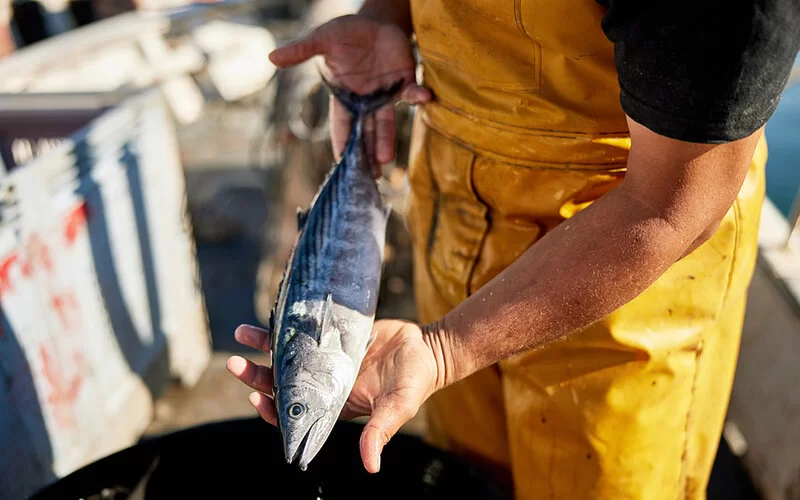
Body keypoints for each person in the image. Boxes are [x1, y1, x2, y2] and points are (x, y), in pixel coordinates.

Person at [227, 0, 800, 498]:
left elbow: (674, 205)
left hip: (623, 272)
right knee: (470, 478)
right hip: (453, 215)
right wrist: (387, 14)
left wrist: (448, 349)